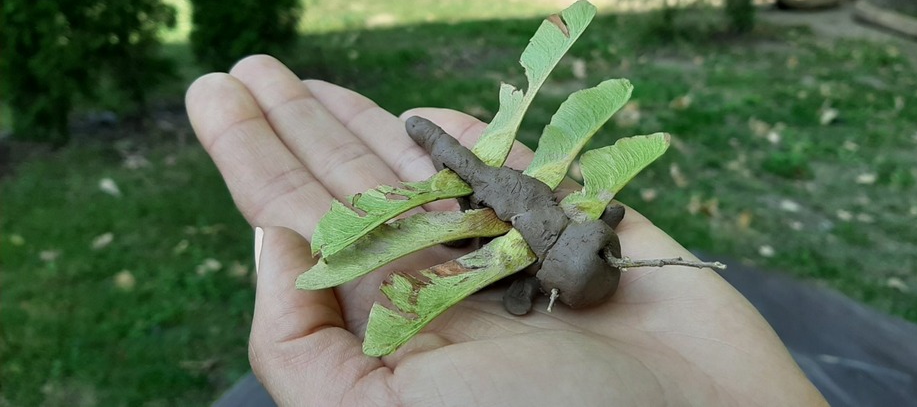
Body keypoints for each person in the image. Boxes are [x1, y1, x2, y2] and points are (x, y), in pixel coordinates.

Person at [186, 55, 829, 406]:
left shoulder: (568, 242)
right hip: (493, 197)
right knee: (431, 174)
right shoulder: (542, 242)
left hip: (507, 205)